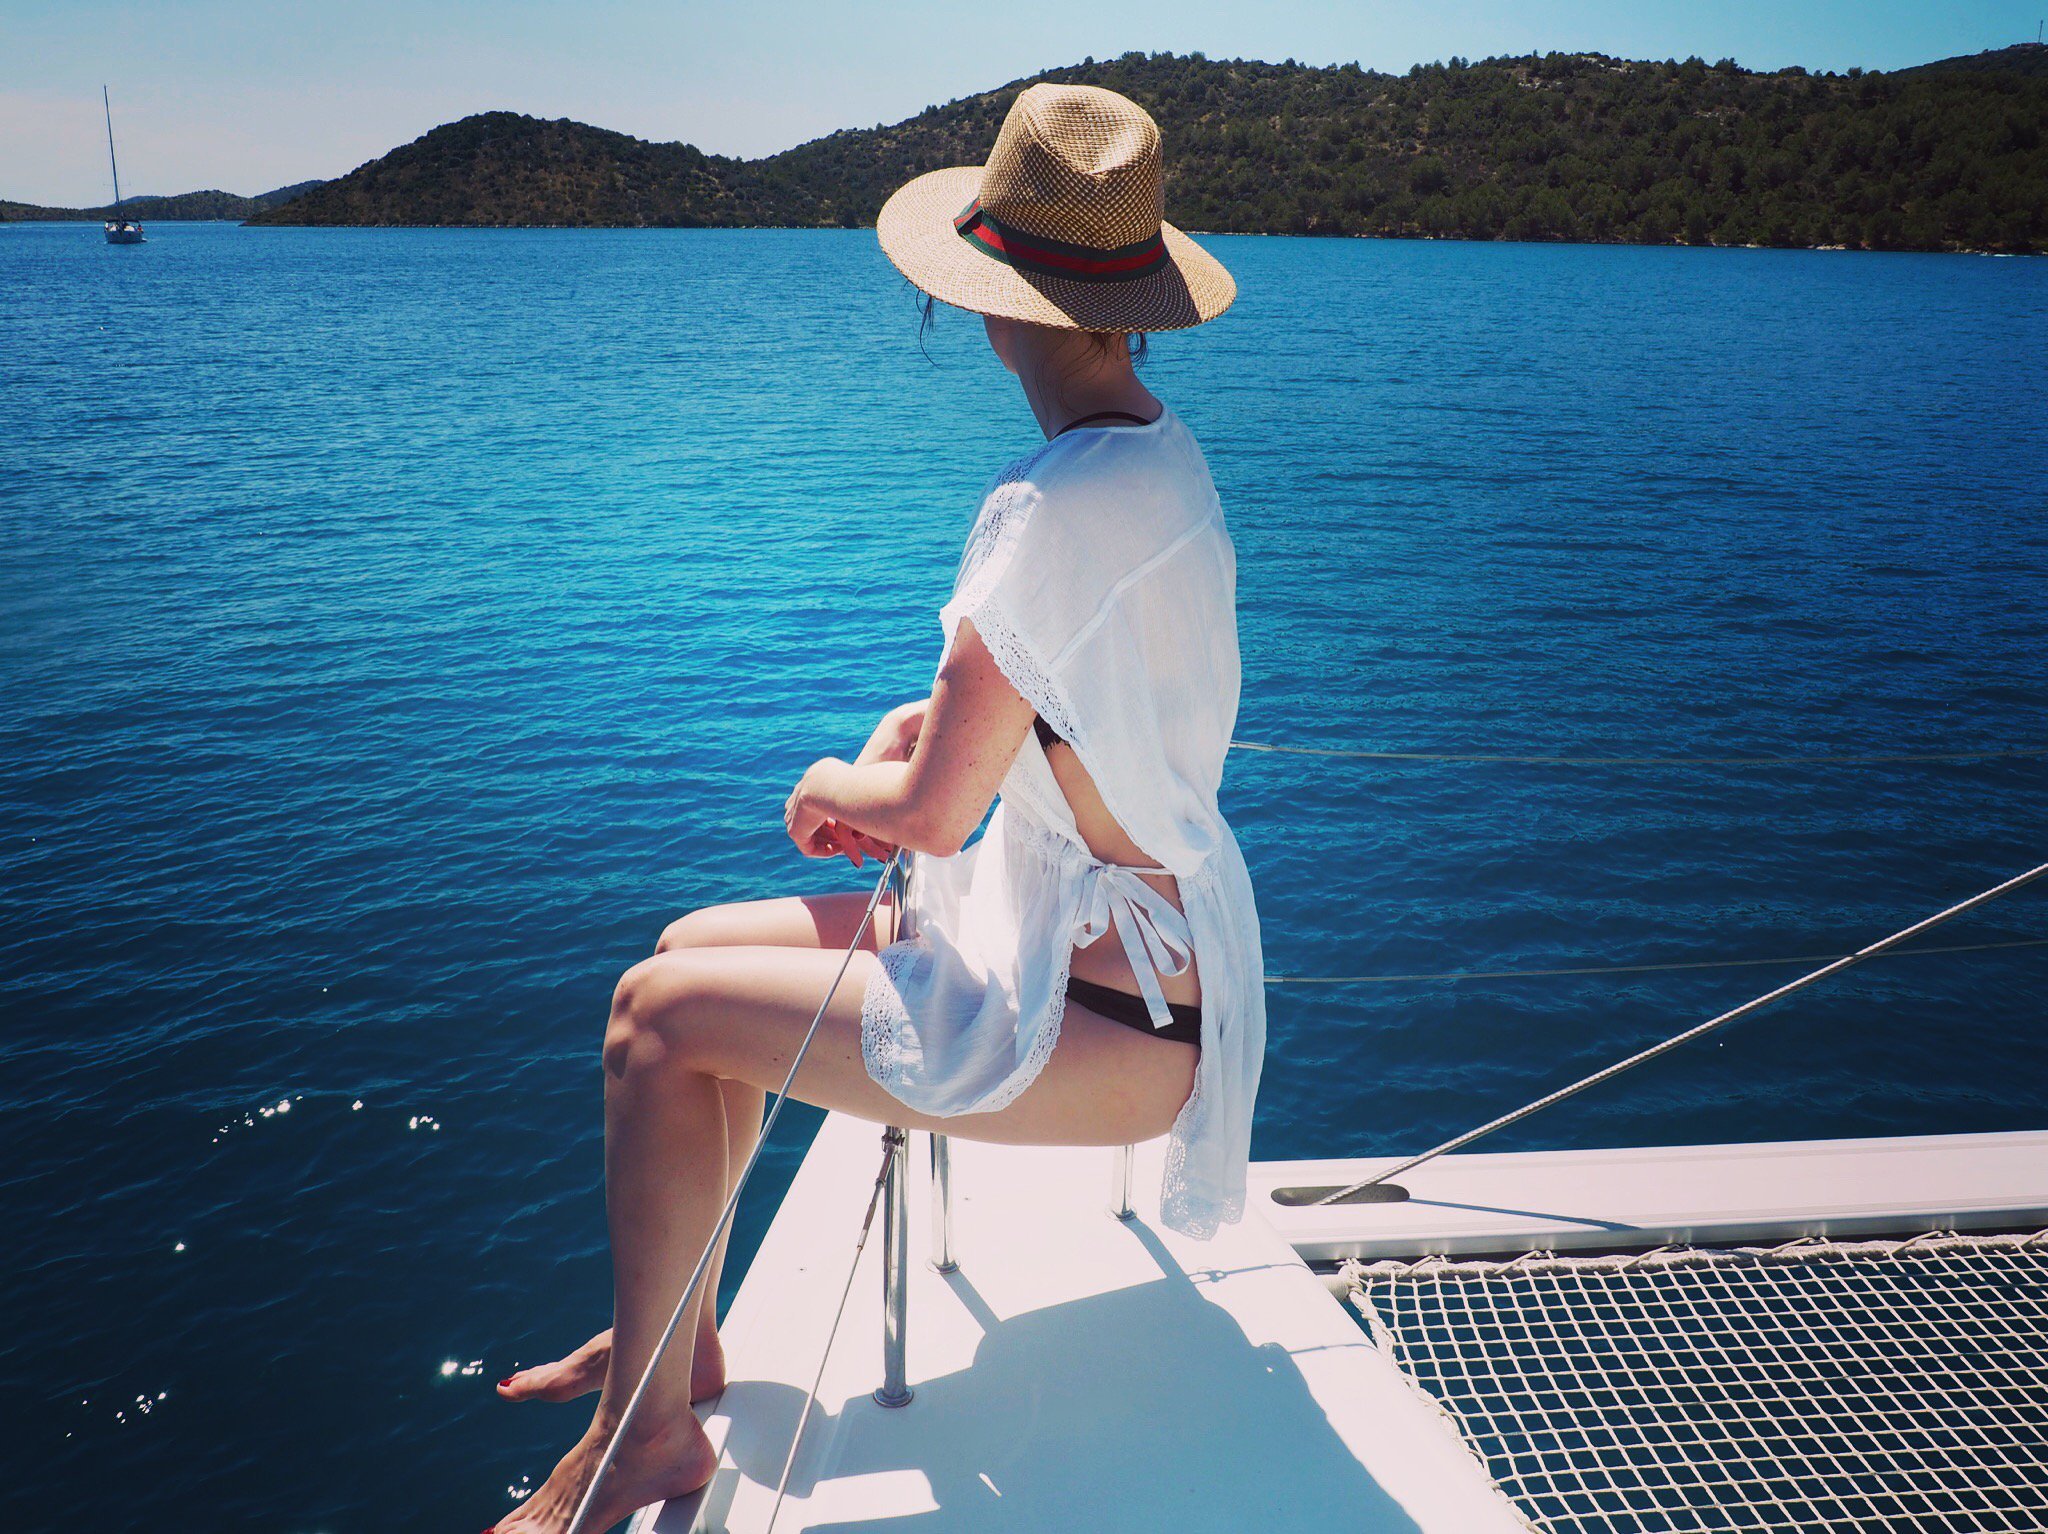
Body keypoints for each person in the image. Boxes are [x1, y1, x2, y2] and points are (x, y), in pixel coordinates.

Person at [486, 81, 1267, 1533]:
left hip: (1094, 1020)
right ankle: (678, 1342)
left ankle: (642, 1437)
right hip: (1149, 973)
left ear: (997, 307)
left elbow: (933, 814)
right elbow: (1057, 714)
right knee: (683, 946)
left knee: (653, 1017)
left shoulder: (1044, 510)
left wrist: (832, 787)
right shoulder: (1161, 459)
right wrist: (921, 756)